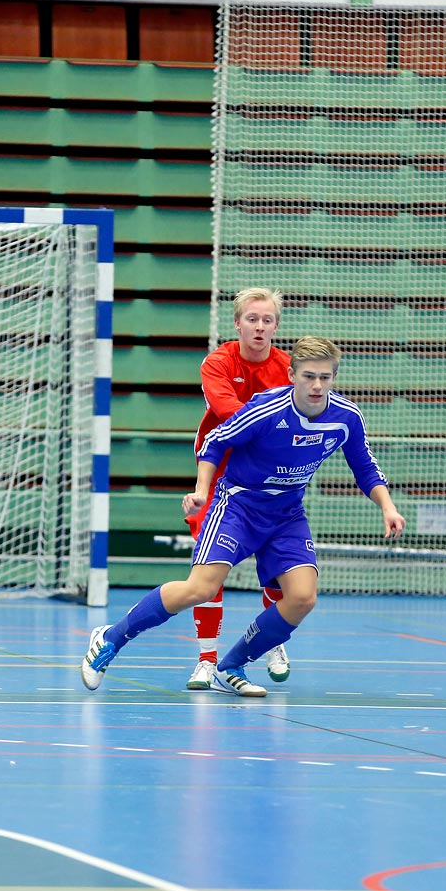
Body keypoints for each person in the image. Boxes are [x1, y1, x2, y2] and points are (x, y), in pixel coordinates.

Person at [81, 337, 404, 697]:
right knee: (200, 588)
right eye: (309, 376)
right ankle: (110, 638)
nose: (316, 385)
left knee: (302, 598)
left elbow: (365, 466)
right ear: (291, 375)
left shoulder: (346, 417)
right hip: (238, 505)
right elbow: (214, 442)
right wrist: (203, 491)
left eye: (325, 378)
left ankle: (230, 666)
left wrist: (387, 507)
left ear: (334, 378)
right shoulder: (266, 409)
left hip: (286, 514)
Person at [184, 287, 294, 691]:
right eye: (252, 319)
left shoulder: (288, 367)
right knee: (209, 574)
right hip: (220, 472)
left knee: (278, 568)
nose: (260, 327)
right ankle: (206, 660)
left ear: (276, 326)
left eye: (267, 320)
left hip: (269, 475)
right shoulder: (217, 363)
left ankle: (272, 641)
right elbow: (230, 414)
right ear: (238, 323)